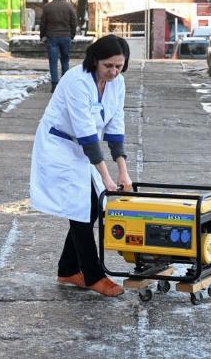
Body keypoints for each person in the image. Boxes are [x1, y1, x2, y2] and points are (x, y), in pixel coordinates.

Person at [29, 35, 133, 297]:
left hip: (82, 147)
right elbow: (86, 133)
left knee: (91, 208)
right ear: (95, 60)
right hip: (60, 145)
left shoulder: (117, 83)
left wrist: (123, 170)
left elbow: (115, 125)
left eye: (119, 66)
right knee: (81, 208)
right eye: (108, 65)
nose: (113, 71)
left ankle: (67, 269)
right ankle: (94, 274)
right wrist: (106, 177)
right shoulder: (76, 81)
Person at [40, 0, 78, 93]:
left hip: (52, 37)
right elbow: (74, 22)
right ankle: (65, 84)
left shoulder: (47, 7)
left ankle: (55, 84)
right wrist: (72, 35)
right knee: (65, 60)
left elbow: (43, 23)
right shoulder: (69, 7)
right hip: (66, 37)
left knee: (53, 61)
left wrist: (42, 35)